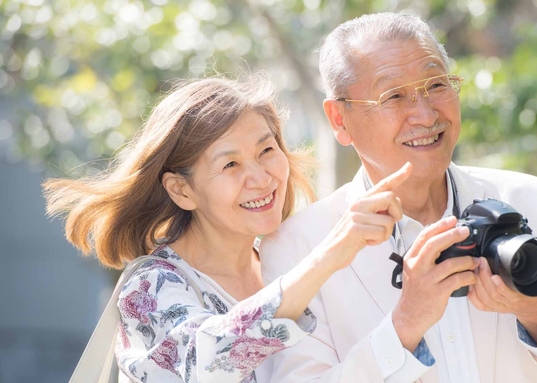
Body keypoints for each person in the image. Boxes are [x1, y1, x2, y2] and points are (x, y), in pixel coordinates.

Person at [258, 12, 537, 383]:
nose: (426, 115)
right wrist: (405, 325)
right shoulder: (297, 249)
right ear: (339, 120)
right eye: (394, 96)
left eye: (437, 85)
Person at [43, 73, 412, 383]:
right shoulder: (153, 287)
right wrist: (330, 255)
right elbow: (206, 361)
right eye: (231, 165)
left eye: (266, 151)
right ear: (181, 189)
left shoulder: (284, 260)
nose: (260, 178)